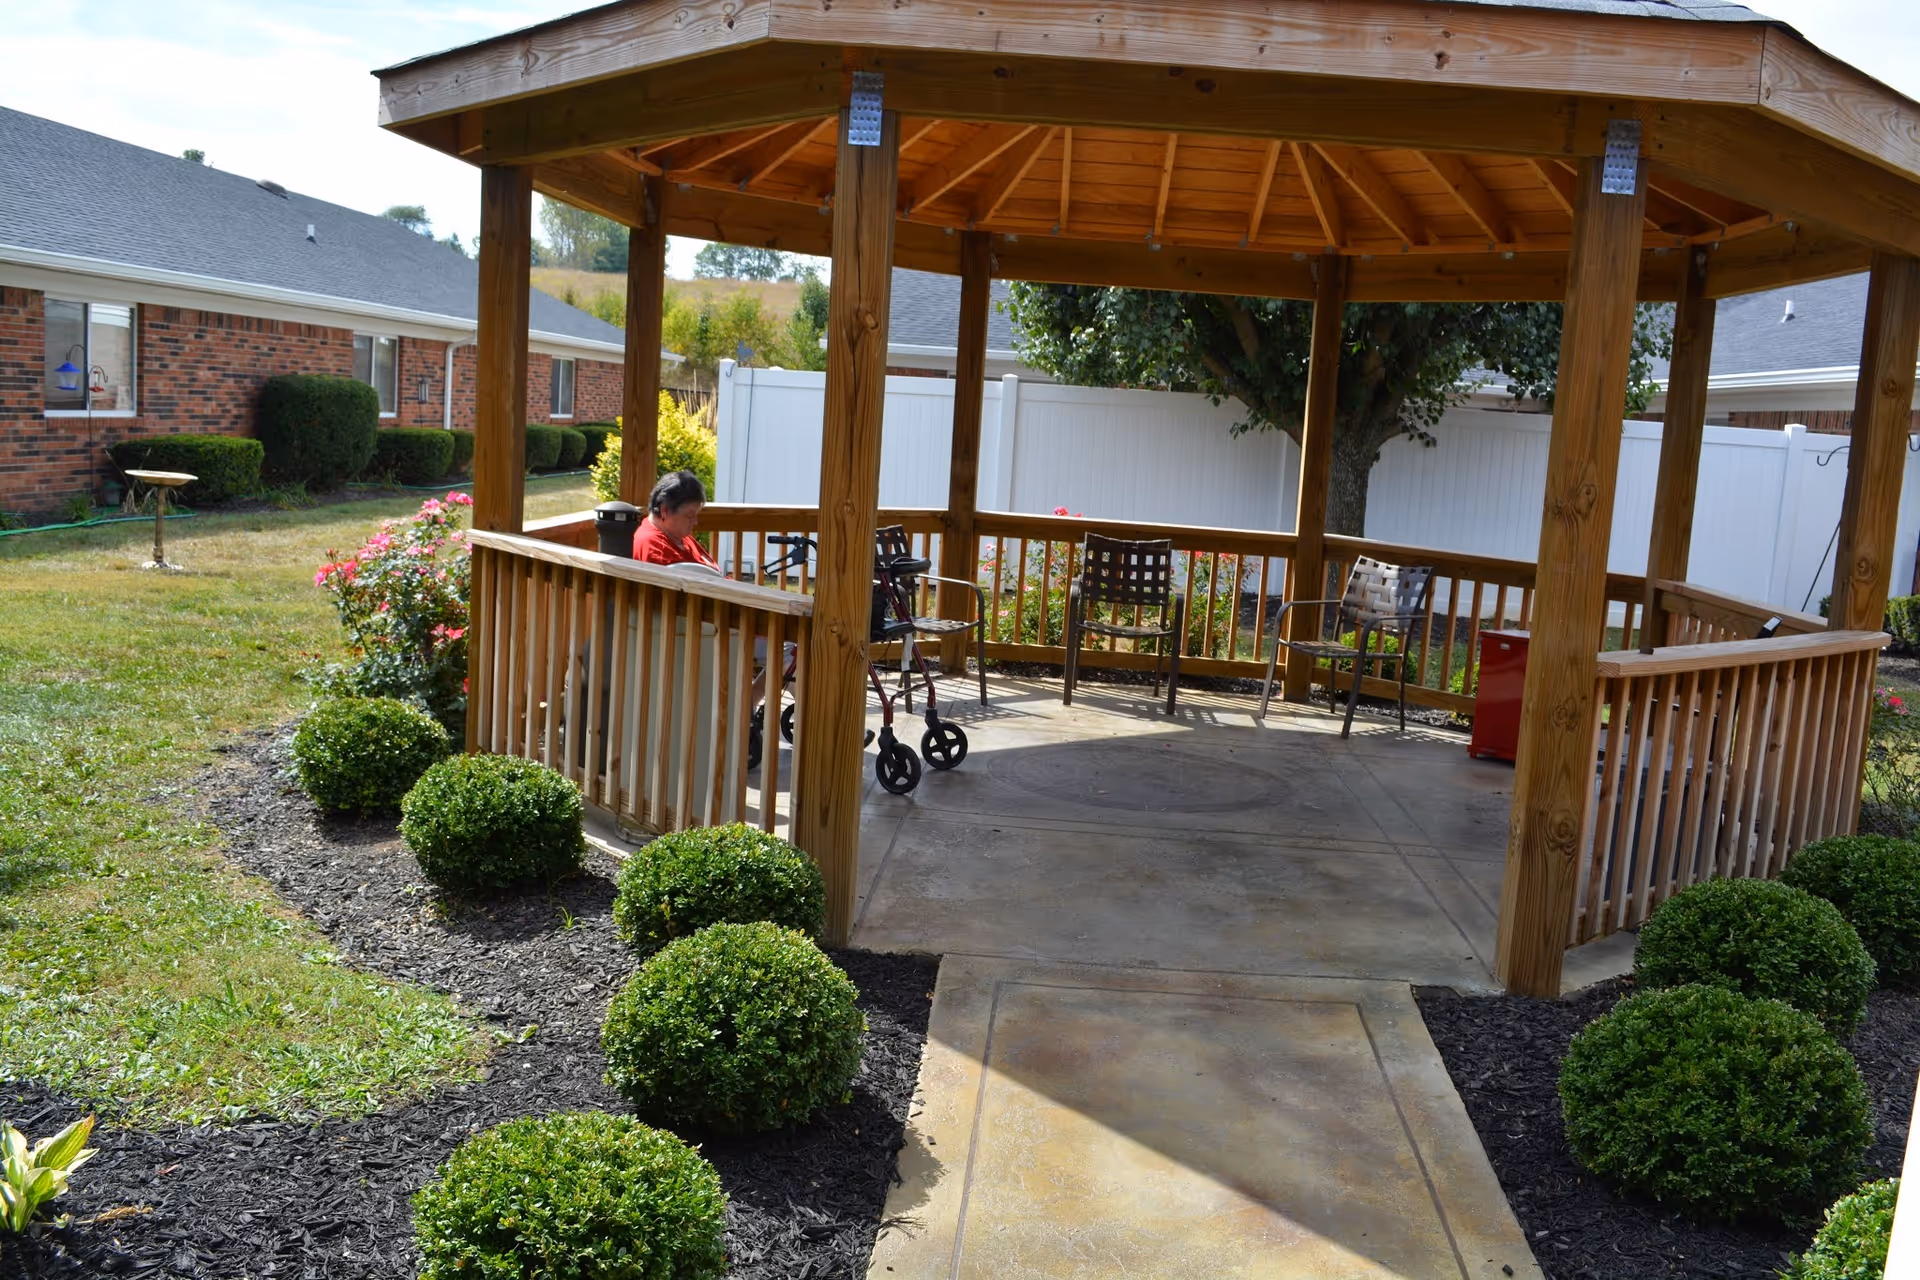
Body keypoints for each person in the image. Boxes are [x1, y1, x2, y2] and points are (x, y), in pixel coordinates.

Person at [633, 470, 718, 568]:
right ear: (664, 510)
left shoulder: (678, 536)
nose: (695, 522)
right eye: (690, 515)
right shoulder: (655, 548)